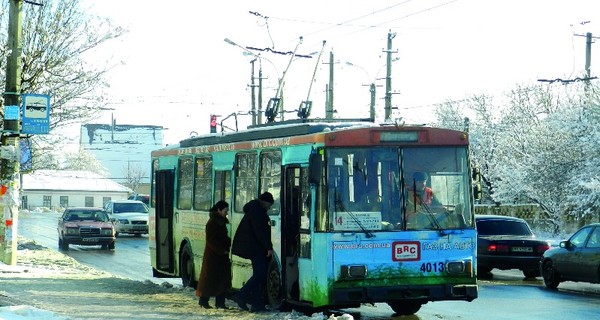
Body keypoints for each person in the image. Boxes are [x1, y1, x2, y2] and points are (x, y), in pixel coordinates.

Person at [231, 192, 274, 312]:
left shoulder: (254, 209)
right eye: (269, 204)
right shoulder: (258, 212)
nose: (269, 207)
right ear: (265, 202)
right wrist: (268, 247)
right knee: (260, 275)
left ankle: (257, 304)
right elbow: (261, 232)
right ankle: (241, 295)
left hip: (253, 247)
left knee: (258, 275)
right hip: (255, 248)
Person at [195, 200, 232, 309]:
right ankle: (204, 301)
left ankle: (220, 303)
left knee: (222, 279)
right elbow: (211, 240)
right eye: (225, 210)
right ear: (219, 210)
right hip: (214, 256)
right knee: (209, 279)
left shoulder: (220, 221)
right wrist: (222, 250)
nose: (227, 213)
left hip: (220, 255)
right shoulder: (212, 222)